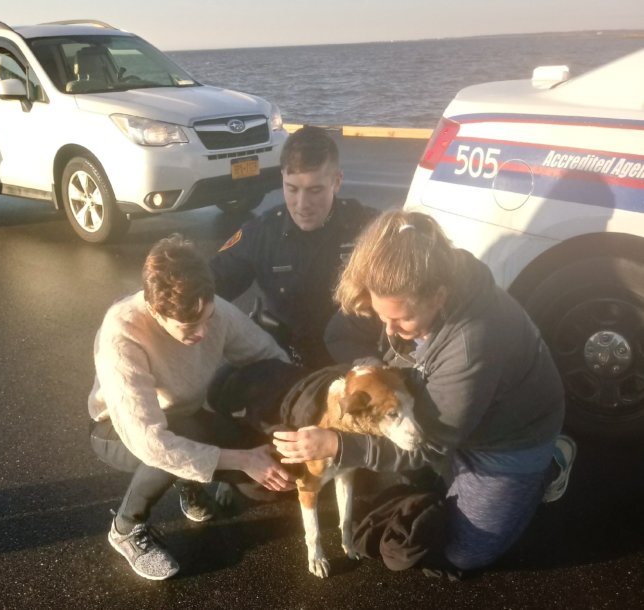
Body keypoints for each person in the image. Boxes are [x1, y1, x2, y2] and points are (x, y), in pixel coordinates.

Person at [273, 209, 576, 575]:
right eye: (381, 316)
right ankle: (449, 476)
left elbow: (430, 442)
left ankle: (551, 462)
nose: (389, 328)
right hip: (441, 413)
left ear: (438, 296)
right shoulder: (395, 286)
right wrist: (378, 373)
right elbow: (339, 333)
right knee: (403, 476)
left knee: (463, 554)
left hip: (507, 438)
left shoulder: (472, 341)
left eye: (402, 320)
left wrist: (339, 445)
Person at [88, 234, 296, 581]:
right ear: (155, 311)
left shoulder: (213, 312)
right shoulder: (121, 333)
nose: (203, 332)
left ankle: (189, 479)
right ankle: (125, 527)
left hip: (185, 416)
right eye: (189, 328)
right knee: (174, 447)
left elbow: (270, 358)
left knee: (259, 483)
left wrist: (285, 419)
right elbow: (150, 442)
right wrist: (241, 459)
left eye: (208, 317)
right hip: (116, 429)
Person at [209, 125, 378, 369]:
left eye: (315, 190)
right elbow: (209, 283)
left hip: (352, 362)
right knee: (220, 391)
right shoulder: (262, 232)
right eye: (292, 189)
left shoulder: (369, 229)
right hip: (284, 359)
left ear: (337, 182)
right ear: (282, 180)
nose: (302, 204)